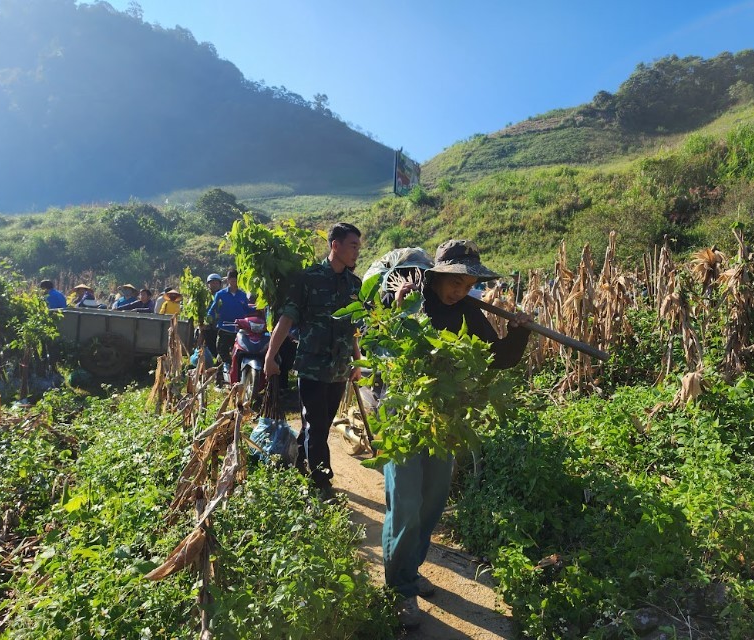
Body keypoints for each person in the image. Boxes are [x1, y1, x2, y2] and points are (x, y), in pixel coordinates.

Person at [384, 239, 532, 628]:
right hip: (407, 416)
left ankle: (411, 569)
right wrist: (400, 308)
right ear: (439, 276)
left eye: (468, 285)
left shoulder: (467, 310)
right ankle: (399, 589)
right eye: (455, 282)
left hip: (447, 419)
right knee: (405, 503)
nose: (460, 291)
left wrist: (518, 333)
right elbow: (388, 343)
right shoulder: (409, 298)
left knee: (432, 501)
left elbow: (496, 358)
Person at [263, 222, 363, 498]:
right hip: (311, 366)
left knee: (319, 424)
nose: (357, 252)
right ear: (335, 245)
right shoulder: (307, 279)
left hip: (340, 368)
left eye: (358, 247)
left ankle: (299, 464)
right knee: (317, 425)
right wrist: (271, 356)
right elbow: (287, 319)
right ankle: (321, 483)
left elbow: (352, 328)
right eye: (353, 246)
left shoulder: (355, 284)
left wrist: (357, 362)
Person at [206, 268, 249, 382]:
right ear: (228, 280)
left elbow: (246, 309)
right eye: (232, 280)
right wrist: (209, 317)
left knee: (239, 355)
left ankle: (237, 379)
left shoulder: (242, 295)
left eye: (236, 280)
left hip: (239, 331)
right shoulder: (221, 294)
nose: (234, 282)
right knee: (222, 353)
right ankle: (219, 380)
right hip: (224, 328)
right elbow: (213, 308)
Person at [199, 273, 224, 359]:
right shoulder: (204, 296)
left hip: (219, 326)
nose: (214, 285)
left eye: (216, 283)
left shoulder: (223, 296)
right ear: (208, 284)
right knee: (208, 346)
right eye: (212, 283)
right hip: (207, 327)